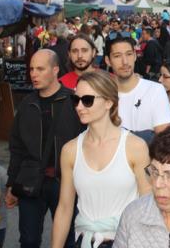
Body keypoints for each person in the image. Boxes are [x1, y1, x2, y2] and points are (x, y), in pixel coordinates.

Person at [51, 71, 152, 248]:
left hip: (126, 242)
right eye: (76, 100)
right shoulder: (70, 150)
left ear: (108, 102)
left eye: (87, 100)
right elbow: (65, 207)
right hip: (84, 242)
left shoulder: (135, 147)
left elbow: (148, 205)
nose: (79, 107)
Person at [6, 49, 84, 248]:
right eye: (31, 69)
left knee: (69, 239)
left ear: (55, 70)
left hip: (65, 182)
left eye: (40, 69)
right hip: (31, 181)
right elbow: (17, 147)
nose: (33, 74)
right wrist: (11, 183)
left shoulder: (74, 102)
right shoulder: (27, 104)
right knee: (29, 240)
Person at [105, 36, 170, 138]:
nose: (125, 62)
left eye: (129, 54)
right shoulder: (102, 95)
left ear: (135, 56)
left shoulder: (155, 90)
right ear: (108, 61)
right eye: (117, 56)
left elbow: (166, 140)